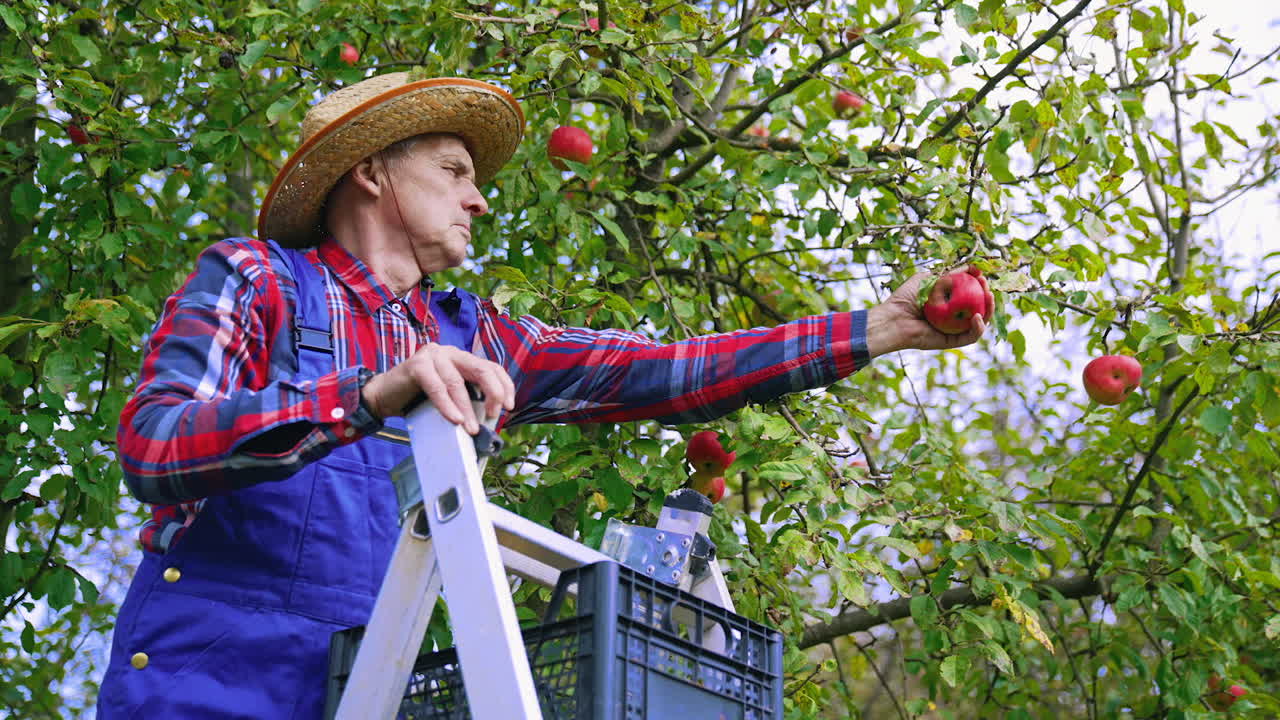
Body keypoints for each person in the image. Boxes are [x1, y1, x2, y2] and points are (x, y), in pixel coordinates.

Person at [96, 72, 994, 718]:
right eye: (453, 170)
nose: (478, 199)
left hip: (364, 681)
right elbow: (156, 444)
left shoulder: (476, 336)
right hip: (208, 679)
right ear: (371, 171)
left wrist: (877, 331)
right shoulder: (256, 279)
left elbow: (666, 371)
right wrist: (368, 395)